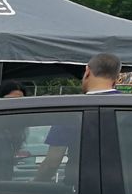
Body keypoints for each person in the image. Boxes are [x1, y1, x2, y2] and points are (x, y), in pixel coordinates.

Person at [37, 53, 121, 183]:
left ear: (87, 71)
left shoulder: (72, 112)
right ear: (117, 77)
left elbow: (52, 162)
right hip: (127, 192)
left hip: (79, 190)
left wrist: (35, 184)